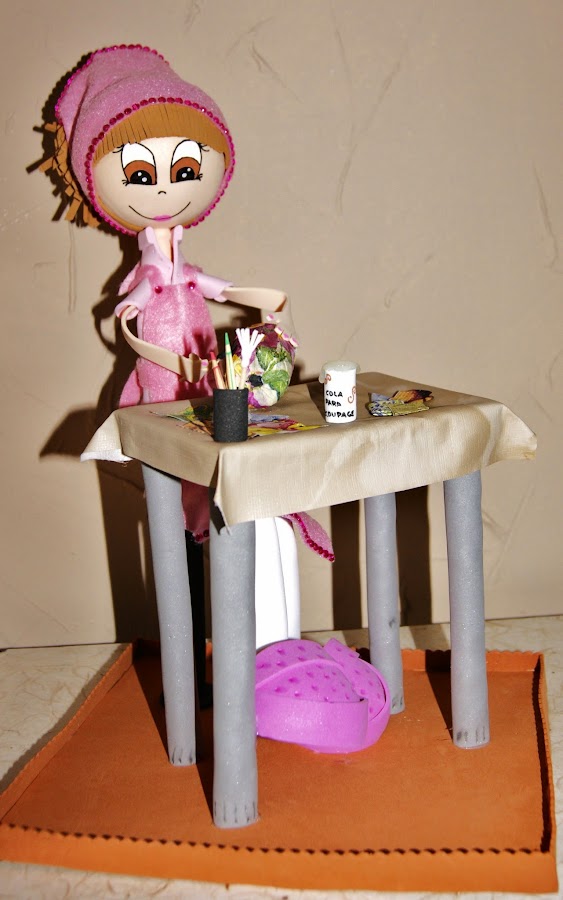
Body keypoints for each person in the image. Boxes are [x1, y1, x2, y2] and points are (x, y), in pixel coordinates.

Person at [44, 45, 333, 700]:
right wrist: (151, 335)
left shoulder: (180, 264)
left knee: (228, 504)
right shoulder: (150, 270)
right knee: (183, 515)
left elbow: (218, 286)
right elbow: (132, 312)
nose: (165, 190)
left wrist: (261, 304)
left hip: (207, 391)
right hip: (165, 397)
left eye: (183, 170)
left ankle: (241, 655)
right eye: (140, 174)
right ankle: (205, 661)